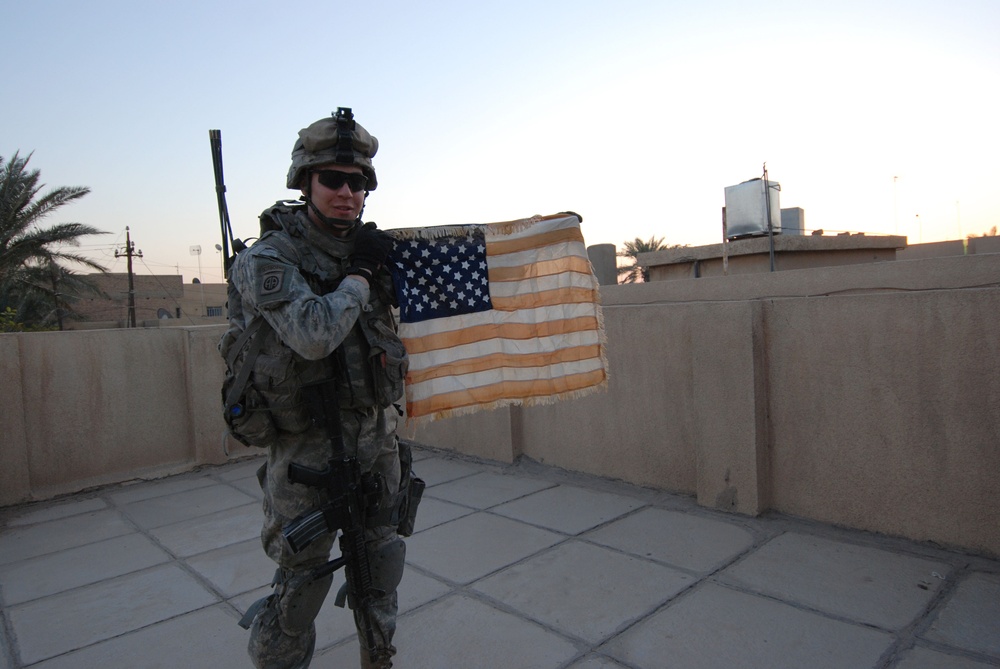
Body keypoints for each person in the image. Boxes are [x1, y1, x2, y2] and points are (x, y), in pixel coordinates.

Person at [220, 108, 410, 669]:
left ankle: (379, 660)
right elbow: (312, 335)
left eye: (358, 183)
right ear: (305, 182)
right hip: (305, 446)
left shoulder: (371, 250)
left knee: (382, 567)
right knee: (302, 585)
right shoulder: (270, 259)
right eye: (333, 179)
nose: (347, 193)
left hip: (374, 435)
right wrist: (360, 278)